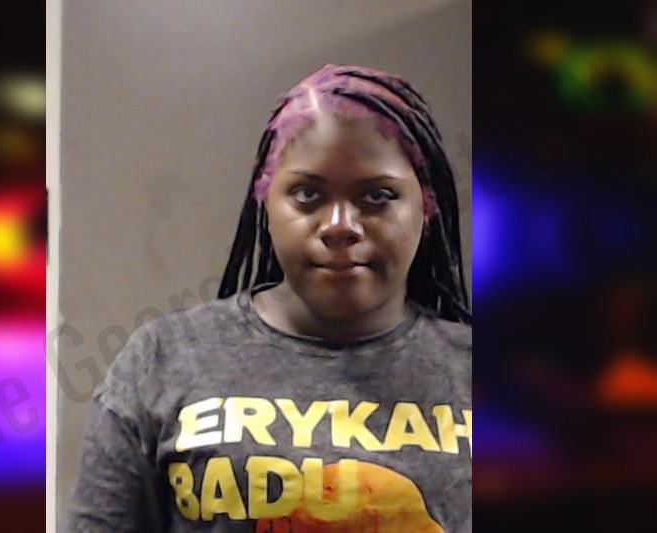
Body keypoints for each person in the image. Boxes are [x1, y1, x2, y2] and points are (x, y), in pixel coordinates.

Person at [67, 63, 471, 532]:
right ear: (266, 201)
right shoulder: (162, 359)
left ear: (427, 205)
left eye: (378, 196)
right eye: (307, 194)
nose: (340, 225)